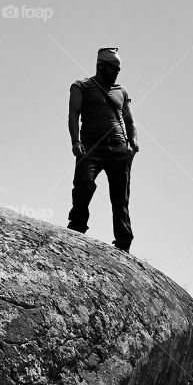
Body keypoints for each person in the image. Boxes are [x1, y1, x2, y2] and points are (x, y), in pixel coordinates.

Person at [67, 47, 140, 252]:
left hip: (119, 149)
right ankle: (77, 227)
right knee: (83, 183)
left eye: (118, 68)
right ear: (101, 66)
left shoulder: (121, 91)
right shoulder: (81, 85)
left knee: (120, 197)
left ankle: (123, 242)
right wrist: (75, 141)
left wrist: (132, 143)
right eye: (113, 68)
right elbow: (74, 114)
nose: (117, 72)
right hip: (91, 146)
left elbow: (130, 120)